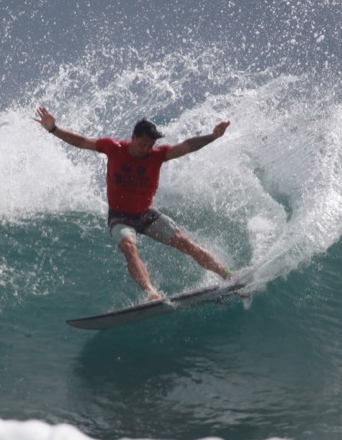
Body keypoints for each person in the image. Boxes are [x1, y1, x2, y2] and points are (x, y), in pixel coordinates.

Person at [35, 106, 232, 301]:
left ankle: (227, 274)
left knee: (185, 242)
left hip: (145, 214)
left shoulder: (157, 155)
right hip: (120, 217)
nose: (147, 148)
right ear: (133, 137)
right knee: (129, 248)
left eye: (151, 145)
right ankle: (151, 293)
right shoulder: (113, 148)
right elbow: (81, 141)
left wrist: (212, 137)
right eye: (144, 143)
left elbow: (186, 146)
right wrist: (54, 129)